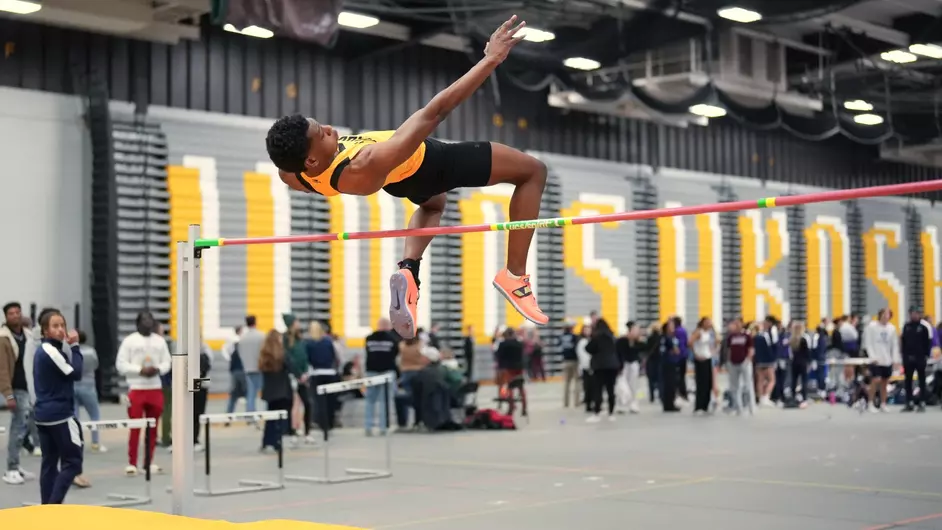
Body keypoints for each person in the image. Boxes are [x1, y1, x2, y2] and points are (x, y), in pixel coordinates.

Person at [266, 16, 548, 338]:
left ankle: (410, 267)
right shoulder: (365, 162)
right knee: (532, 171)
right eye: (323, 133)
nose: (330, 129)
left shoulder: (292, 173)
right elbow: (436, 110)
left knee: (432, 205)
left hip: (399, 181)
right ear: (313, 158)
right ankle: (515, 275)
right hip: (432, 163)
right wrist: (491, 59)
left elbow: (293, 166)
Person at [31, 310, 83, 504]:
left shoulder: (47, 350)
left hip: (44, 414)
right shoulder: (50, 351)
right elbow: (75, 373)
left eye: (63, 325)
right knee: (73, 463)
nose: (61, 330)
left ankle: (46, 509)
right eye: (55, 326)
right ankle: (53, 506)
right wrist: (76, 346)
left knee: (49, 464)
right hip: (59, 415)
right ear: (45, 331)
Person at [115, 311, 170, 476]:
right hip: (137, 388)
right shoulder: (129, 341)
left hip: (155, 388)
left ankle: (148, 462)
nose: (148, 323)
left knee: (153, 428)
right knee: (135, 427)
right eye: (145, 320)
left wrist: (158, 369)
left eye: (151, 320)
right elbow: (121, 364)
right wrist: (139, 370)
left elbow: (167, 361)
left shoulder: (160, 341)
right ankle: (132, 463)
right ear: (137, 323)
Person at [1, 301, 39, 485]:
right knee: (17, 430)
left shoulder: (28, 335)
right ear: (6, 317)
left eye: (18, 312)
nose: (15, 316)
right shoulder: (3, 339)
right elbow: (2, 370)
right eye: (11, 313)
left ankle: (17, 465)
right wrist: (8, 395)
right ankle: (11, 469)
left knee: (24, 427)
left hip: (29, 387)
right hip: (15, 388)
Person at [363, 318, 399, 436]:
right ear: (388, 326)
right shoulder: (393, 339)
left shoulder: (369, 338)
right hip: (387, 372)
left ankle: (368, 426)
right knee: (385, 401)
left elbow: (367, 353)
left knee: (370, 401)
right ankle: (384, 427)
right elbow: (395, 355)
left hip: (371, 371)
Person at [259, 330, 291, 452]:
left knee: (270, 417)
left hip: (269, 391)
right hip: (282, 389)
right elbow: (291, 366)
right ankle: (278, 441)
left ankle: (266, 441)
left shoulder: (264, 355)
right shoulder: (282, 355)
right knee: (280, 418)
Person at [862, 309, 899, 413]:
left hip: (887, 359)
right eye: (883, 314)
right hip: (876, 359)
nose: (885, 316)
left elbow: (894, 345)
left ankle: (883, 403)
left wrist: (895, 359)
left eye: (887, 314)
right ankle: (870, 403)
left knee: (885, 382)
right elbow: (868, 343)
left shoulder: (891, 328)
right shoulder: (872, 327)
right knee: (875, 380)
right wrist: (872, 356)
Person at [586, 318, 619, 423]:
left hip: (599, 366)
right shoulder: (612, 336)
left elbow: (588, 348)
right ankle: (611, 413)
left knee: (598, 390)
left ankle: (597, 413)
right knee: (611, 390)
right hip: (612, 366)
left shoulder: (597, 336)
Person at [900, 306, 933, 412]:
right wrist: (903, 356)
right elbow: (903, 342)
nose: (913, 315)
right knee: (908, 380)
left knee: (921, 380)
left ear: (919, 314)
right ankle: (909, 401)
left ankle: (922, 401)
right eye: (912, 313)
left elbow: (927, 343)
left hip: (920, 358)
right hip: (908, 357)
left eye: (915, 313)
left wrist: (926, 356)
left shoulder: (924, 327)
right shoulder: (906, 326)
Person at [724, 319, 755, 415]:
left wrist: (748, 359)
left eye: (738, 324)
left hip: (744, 362)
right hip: (733, 362)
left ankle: (751, 406)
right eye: (735, 324)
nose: (736, 325)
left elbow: (751, 349)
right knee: (734, 386)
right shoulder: (731, 337)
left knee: (748, 384)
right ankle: (738, 407)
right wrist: (728, 361)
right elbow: (729, 349)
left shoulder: (746, 335)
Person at [238, 316, 265, 415]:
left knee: (251, 393)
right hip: (259, 367)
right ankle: (264, 413)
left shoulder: (243, 338)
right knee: (263, 392)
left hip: (248, 368)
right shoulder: (261, 336)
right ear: (255, 322)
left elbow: (241, 353)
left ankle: (250, 414)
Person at [690, 317, 717, 414]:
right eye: (707, 322)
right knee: (701, 383)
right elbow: (690, 342)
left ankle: (706, 405)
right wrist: (695, 354)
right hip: (700, 359)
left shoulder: (710, 333)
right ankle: (699, 406)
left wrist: (712, 351)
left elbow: (714, 343)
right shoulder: (699, 332)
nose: (709, 324)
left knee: (708, 383)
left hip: (708, 358)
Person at [615, 321, 643, 414]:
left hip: (633, 363)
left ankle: (633, 404)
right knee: (623, 385)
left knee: (634, 385)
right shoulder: (622, 340)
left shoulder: (637, 342)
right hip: (624, 364)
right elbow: (619, 353)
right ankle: (621, 404)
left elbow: (642, 351)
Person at [788, 321, 812, 408]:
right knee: (804, 381)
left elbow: (790, 353)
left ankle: (793, 397)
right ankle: (804, 399)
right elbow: (807, 352)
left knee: (794, 381)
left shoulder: (792, 339)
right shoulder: (804, 339)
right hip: (803, 362)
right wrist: (809, 362)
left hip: (794, 362)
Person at [559, 322, 579, 408]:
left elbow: (560, 345)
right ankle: (576, 402)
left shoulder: (561, 337)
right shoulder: (574, 337)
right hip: (574, 360)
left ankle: (566, 402)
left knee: (567, 382)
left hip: (565, 360)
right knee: (577, 381)